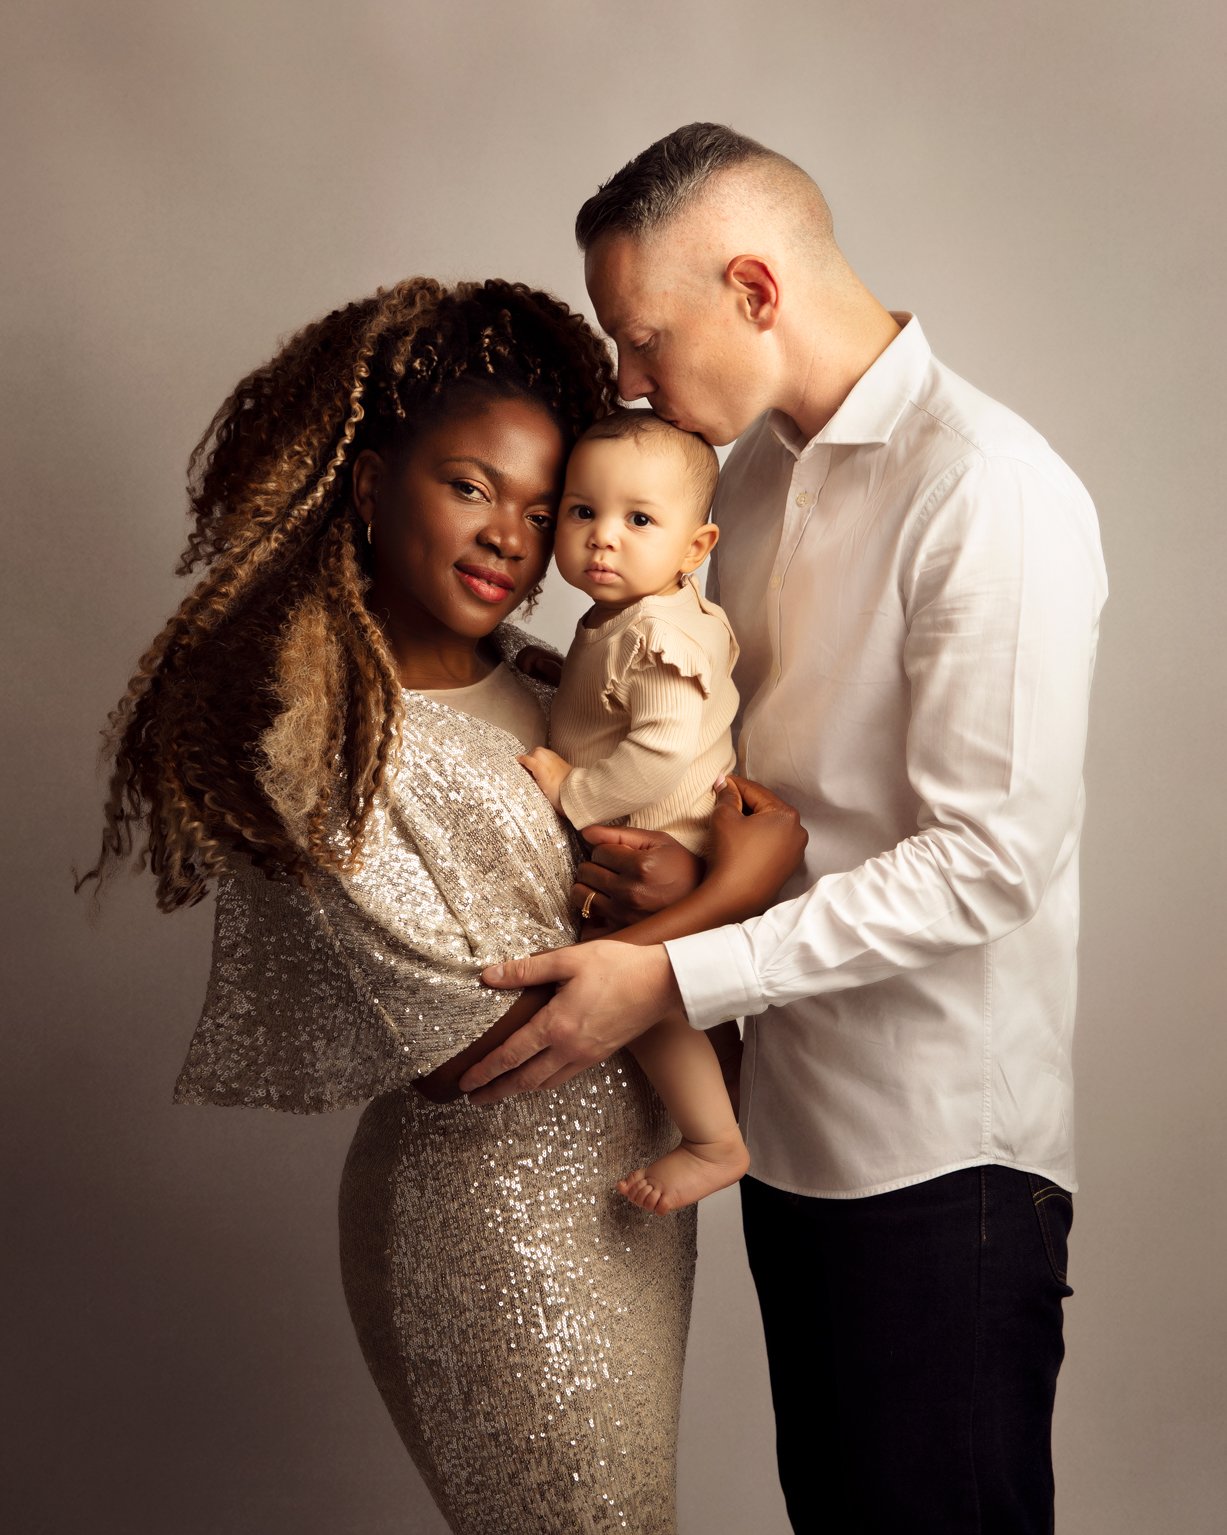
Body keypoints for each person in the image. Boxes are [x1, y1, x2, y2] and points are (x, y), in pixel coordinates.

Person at [459, 125, 1110, 1534]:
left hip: (938, 1149)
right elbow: (735, 774)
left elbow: (990, 861)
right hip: (778, 1120)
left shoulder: (984, 489)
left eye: (638, 338)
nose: (623, 384)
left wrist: (677, 972)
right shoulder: (731, 488)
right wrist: (685, 874)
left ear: (752, 288)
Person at [78, 276, 807, 1534]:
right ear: (370, 487)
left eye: (542, 506)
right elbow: (481, 1042)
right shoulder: (325, 740)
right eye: (470, 485)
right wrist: (736, 894)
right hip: (490, 1226)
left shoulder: (542, 684)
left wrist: (682, 884)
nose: (511, 537)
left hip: (627, 1202)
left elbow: (605, 900)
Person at [518, 406, 749, 1214]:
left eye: (638, 519)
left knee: (643, 993)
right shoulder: (625, 614)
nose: (602, 536)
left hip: (670, 835)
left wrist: (570, 794)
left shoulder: (654, 632)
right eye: (582, 511)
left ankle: (714, 1140)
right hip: (655, 827)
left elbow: (658, 748)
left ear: (695, 547)